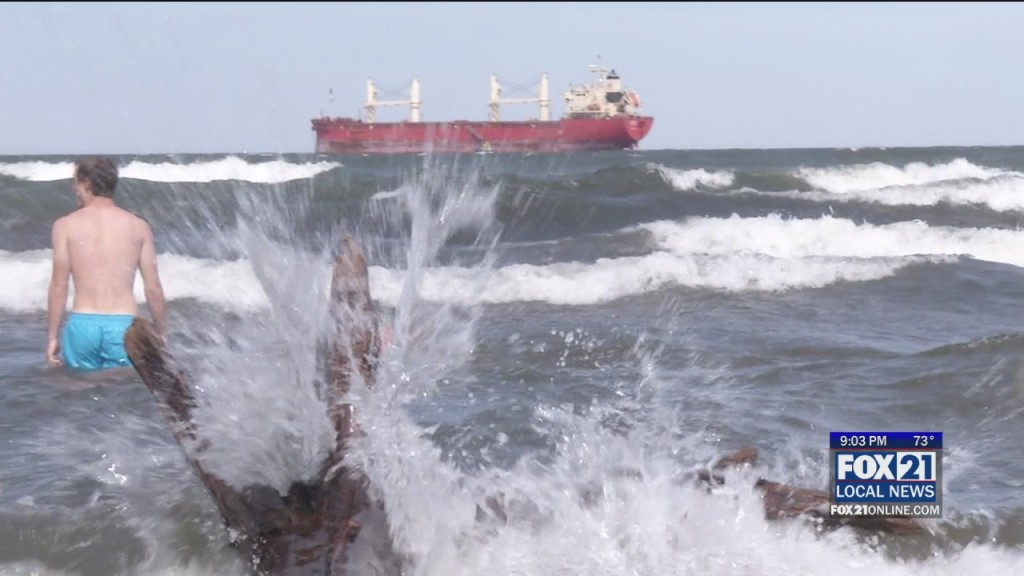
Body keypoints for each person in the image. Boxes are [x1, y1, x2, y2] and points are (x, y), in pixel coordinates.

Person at [46, 156, 167, 371]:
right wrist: (162, 333)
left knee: (81, 390)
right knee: (124, 388)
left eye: (76, 182)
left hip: (83, 326)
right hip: (125, 328)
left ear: (87, 183)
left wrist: (53, 337)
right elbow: (153, 287)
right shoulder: (139, 226)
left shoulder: (64, 226)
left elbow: (59, 285)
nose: (74, 189)